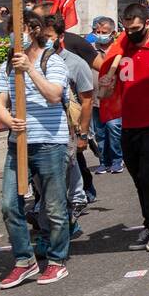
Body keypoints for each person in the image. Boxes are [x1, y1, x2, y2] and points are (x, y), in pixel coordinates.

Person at [0, 12, 71, 288]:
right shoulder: (7, 65)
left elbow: (53, 95)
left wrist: (31, 70)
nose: (15, 35)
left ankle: (57, 260)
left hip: (50, 143)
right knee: (9, 204)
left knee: (54, 206)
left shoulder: (53, 60)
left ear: (34, 30)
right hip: (19, 143)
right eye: (11, 30)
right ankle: (24, 260)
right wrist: (6, 117)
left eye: (20, 29)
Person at [97, 3, 149, 252]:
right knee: (137, 176)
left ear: (147, 24)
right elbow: (106, 93)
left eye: (135, 28)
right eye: (127, 28)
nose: (131, 32)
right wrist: (106, 84)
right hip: (129, 122)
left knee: (148, 173)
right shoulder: (121, 53)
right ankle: (148, 221)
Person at [42, 14, 97, 217]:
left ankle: (77, 199)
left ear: (60, 36)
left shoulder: (76, 64)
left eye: (49, 36)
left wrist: (83, 134)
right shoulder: (34, 62)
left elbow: (87, 100)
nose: (44, 40)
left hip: (68, 128)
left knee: (69, 164)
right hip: (42, 128)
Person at [89, 16, 124, 173]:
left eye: (104, 32)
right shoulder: (89, 49)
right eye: (97, 31)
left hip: (114, 100)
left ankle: (118, 159)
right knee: (100, 133)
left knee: (114, 130)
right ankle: (104, 161)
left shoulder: (119, 50)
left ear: (113, 33)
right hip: (96, 99)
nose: (100, 34)